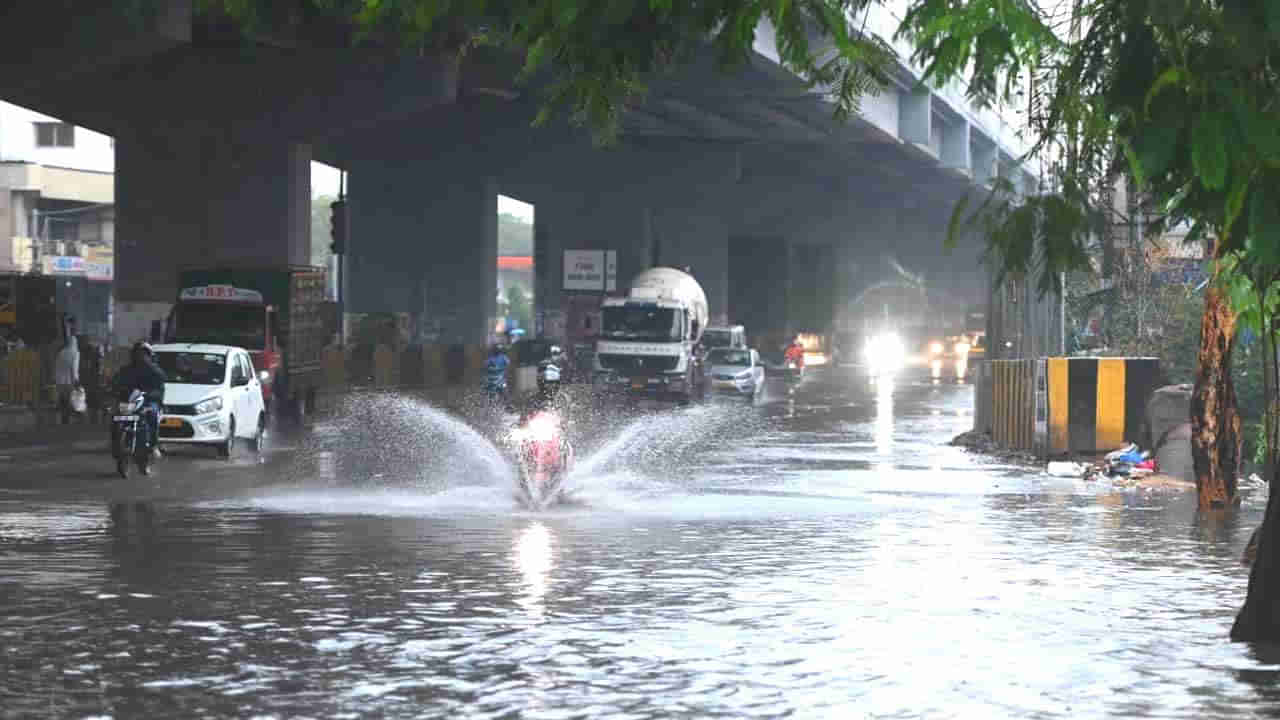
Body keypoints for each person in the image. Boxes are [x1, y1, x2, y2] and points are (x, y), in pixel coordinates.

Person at [111, 342, 167, 463]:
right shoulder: (126, 370)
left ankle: (153, 445)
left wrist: (151, 395)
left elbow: (160, 387)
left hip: (148, 402)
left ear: (149, 355)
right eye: (138, 354)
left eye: (143, 354)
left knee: (152, 416)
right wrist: (112, 391)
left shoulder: (155, 371)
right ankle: (116, 446)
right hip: (130, 402)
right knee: (115, 418)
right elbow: (116, 383)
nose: (141, 356)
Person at [55, 317, 81, 424]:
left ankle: (64, 420)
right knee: (71, 402)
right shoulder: (75, 353)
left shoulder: (60, 353)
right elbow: (74, 369)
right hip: (69, 382)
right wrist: (76, 381)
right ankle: (70, 421)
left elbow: (56, 368)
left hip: (59, 382)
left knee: (63, 402)